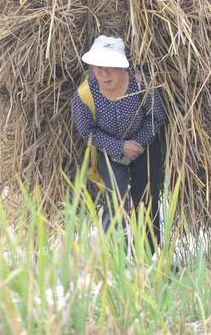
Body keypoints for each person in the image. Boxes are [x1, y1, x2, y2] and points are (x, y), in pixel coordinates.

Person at [71, 35, 167, 256]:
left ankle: (149, 257)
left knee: (146, 198)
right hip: (109, 151)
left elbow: (157, 118)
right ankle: (117, 261)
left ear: (121, 67)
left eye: (110, 67)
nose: (104, 73)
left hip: (145, 146)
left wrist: (137, 144)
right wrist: (119, 147)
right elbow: (87, 131)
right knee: (116, 199)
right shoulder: (85, 95)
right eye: (98, 67)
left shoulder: (141, 83)